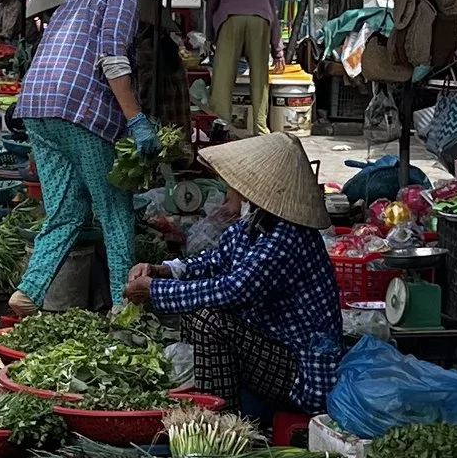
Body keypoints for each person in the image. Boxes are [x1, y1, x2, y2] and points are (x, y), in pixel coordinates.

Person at [124, 127, 342, 418]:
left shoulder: (288, 236)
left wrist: (155, 291)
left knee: (209, 320)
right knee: (197, 310)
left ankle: (222, 420)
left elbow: (235, 289)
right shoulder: (255, 223)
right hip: (273, 347)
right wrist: (162, 270)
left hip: (304, 372)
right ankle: (218, 409)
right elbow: (214, 261)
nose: (229, 189)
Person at [9, 0, 164, 312]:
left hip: (36, 109)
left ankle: (29, 291)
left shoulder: (72, 1)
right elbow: (113, 60)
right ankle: (123, 307)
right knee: (115, 212)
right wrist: (136, 121)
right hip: (80, 112)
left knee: (66, 210)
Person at [204, 0, 280, 134]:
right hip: (260, 21)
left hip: (231, 20)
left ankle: (221, 124)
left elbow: (212, 1)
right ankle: (260, 127)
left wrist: (209, 35)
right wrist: (277, 49)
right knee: (260, 77)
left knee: (223, 76)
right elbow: (273, 9)